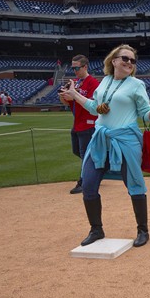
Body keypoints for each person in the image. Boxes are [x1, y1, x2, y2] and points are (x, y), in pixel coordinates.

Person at [62, 44, 150, 248]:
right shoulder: (105, 81)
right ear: (114, 60)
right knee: (88, 185)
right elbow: (94, 108)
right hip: (100, 139)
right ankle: (96, 229)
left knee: (134, 185)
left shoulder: (136, 85)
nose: (128, 63)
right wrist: (75, 96)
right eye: (125, 58)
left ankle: (143, 230)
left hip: (126, 140)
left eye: (132, 61)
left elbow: (144, 114)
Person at [60, 54, 100, 194]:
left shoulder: (93, 83)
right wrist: (64, 97)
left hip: (89, 124)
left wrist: (75, 96)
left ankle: (84, 182)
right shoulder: (76, 83)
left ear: (85, 67)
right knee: (77, 151)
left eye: (77, 68)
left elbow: (92, 105)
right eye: (73, 68)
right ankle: (96, 172)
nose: (75, 71)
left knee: (85, 154)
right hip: (77, 123)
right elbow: (68, 103)